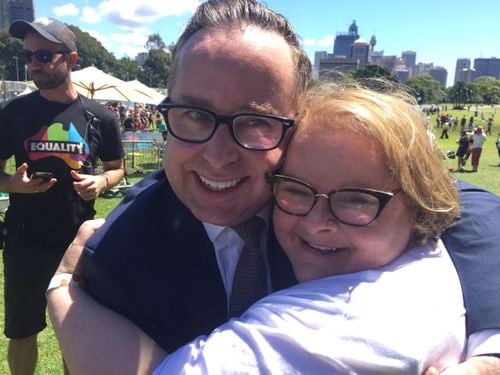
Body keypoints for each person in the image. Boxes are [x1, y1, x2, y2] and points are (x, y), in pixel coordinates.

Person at [48, 0, 500, 372]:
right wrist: (64, 290)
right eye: (195, 115)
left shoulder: (337, 199)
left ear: (299, 125)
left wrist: (488, 351)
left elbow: (464, 202)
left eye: (256, 122)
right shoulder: (117, 254)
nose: (218, 154)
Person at [0, 17, 125, 374]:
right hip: (25, 242)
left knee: (77, 333)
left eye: (43, 55)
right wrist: (14, 185)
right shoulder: (13, 113)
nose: (33, 65)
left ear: (70, 60)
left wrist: (101, 182)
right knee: (22, 333)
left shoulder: (100, 117)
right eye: (29, 56)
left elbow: (117, 167)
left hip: (78, 245)